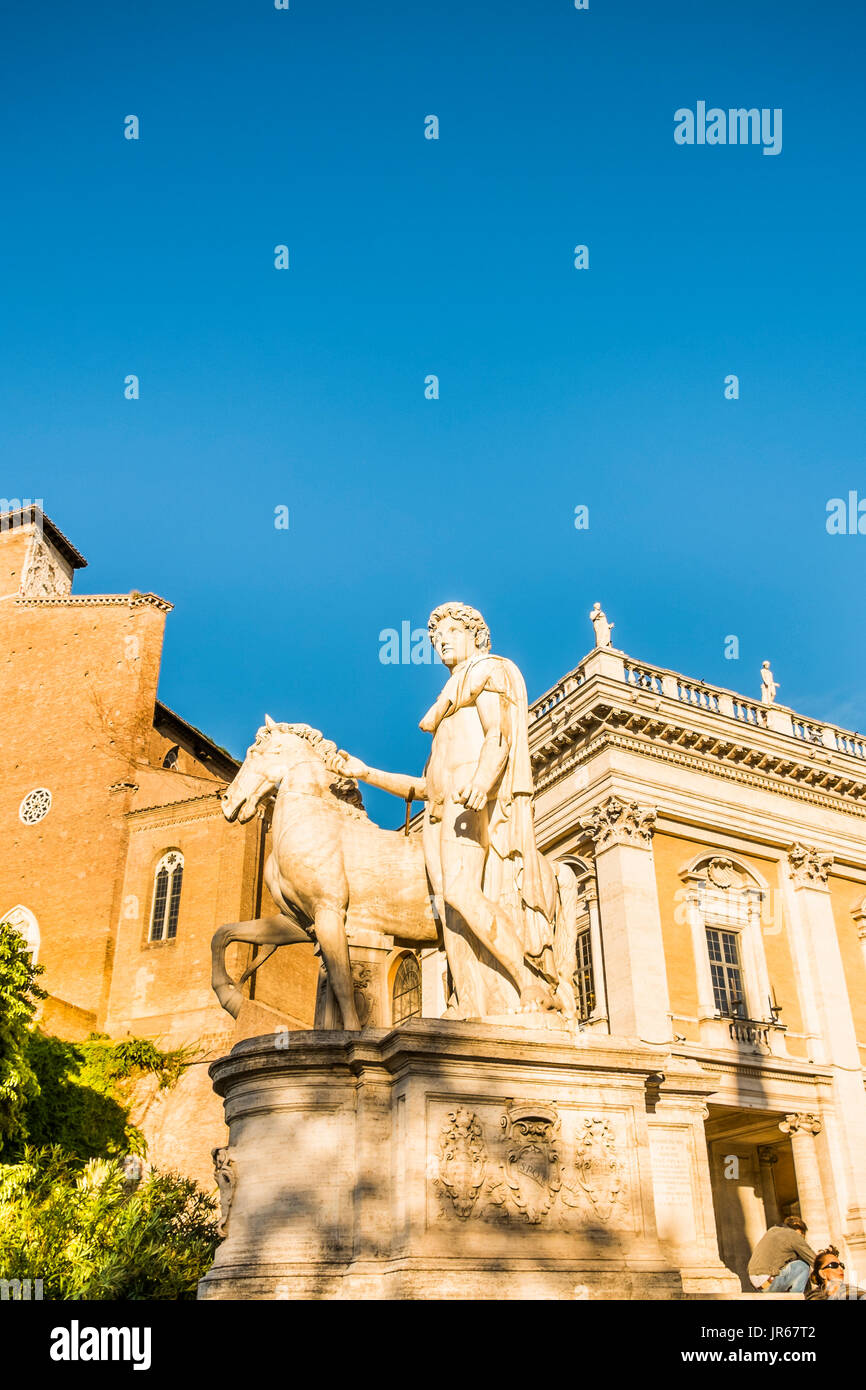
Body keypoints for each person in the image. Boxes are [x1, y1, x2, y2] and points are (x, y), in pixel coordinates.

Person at [333, 602, 561, 1018]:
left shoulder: (486, 672)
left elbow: (500, 736)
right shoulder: (447, 715)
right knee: (449, 914)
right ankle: (469, 1001)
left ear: (475, 634)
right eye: (436, 637)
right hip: (443, 811)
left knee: (459, 891)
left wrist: (482, 779)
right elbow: (424, 788)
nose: (440, 641)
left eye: (450, 632)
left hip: (468, 801)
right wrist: (366, 772)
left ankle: (530, 984)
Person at [747, 1215, 815, 1293]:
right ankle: (796, 1297)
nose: (803, 1240)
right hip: (768, 1282)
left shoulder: (772, 1231)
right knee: (803, 1265)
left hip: (756, 1284)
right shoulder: (793, 1234)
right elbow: (815, 1260)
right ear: (799, 1230)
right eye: (802, 1237)